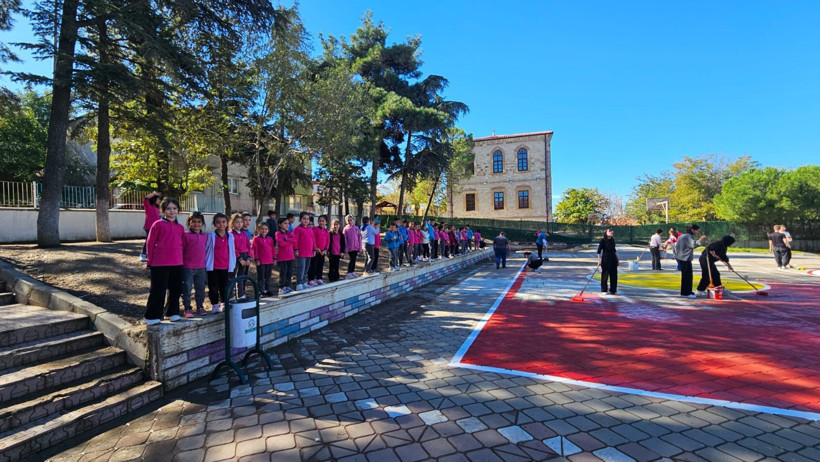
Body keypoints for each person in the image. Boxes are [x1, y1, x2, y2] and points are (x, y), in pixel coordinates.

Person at [143, 198, 184, 325]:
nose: (171, 211)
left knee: (176, 289)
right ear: (163, 210)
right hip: (160, 263)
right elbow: (150, 244)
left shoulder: (180, 227)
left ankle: (172, 312)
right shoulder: (157, 224)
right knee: (158, 290)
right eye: (168, 208)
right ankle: (151, 316)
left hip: (177, 262)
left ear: (178, 210)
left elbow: (181, 244)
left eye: (174, 208)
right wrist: (149, 261)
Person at [205, 213, 235, 313]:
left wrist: (232, 264)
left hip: (225, 266)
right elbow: (207, 250)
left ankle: (223, 303)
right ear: (214, 224)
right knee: (213, 287)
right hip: (213, 267)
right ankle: (214, 304)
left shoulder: (230, 236)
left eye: (223, 222)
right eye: (218, 222)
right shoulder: (211, 236)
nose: (221, 224)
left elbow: (232, 251)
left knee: (224, 286)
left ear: (227, 223)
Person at [181, 212, 208, 318]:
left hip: (201, 267)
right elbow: (181, 250)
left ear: (202, 223)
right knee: (187, 289)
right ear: (189, 223)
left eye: (199, 222)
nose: (196, 224)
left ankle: (200, 306)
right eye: (193, 222)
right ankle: (187, 308)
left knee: (200, 288)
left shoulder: (205, 236)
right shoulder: (185, 235)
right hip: (187, 267)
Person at [674, 225, 707, 298]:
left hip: (683, 257)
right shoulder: (687, 236)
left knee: (688, 276)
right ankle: (685, 293)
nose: (697, 232)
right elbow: (693, 245)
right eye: (697, 230)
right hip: (684, 258)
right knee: (687, 276)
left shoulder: (684, 236)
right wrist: (701, 239)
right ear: (692, 230)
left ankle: (688, 291)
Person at [230, 213, 251, 299]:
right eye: (237, 222)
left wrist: (249, 258)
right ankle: (230, 295)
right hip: (235, 257)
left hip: (245, 255)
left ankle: (241, 294)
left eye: (241, 222)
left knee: (241, 275)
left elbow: (248, 246)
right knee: (232, 276)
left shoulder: (243, 233)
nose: (239, 224)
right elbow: (233, 247)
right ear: (232, 223)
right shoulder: (230, 234)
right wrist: (239, 258)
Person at [293, 212, 316, 291]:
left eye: (307, 219)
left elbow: (313, 240)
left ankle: (304, 281)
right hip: (301, 252)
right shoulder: (297, 229)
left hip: (309, 252)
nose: (306, 221)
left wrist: (314, 249)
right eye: (304, 219)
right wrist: (296, 249)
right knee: (301, 267)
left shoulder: (310, 229)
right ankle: (299, 283)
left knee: (306, 268)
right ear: (300, 220)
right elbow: (294, 240)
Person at [251, 222, 275, 297]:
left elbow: (273, 249)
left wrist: (274, 258)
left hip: (269, 260)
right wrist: (256, 259)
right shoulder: (256, 239)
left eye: (266, 229)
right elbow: (254, 250)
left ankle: (267, 289)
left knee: (268, 276)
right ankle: (260, 291)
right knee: (261, 277)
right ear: (258, 230)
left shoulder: (270, 239)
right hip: (261, 261)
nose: (264, 230)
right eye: (262, 229)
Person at [275, 217, 296, 295]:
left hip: (290, 256)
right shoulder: (278, 233)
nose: (287, 225)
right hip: (282, 257)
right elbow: (281, 243)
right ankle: (281, 287)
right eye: (285, 223)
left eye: (288, 223)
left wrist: (286, 240)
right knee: (283, 273)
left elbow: (294, 240)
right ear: (280, 224)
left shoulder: (289, 233)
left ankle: (288, 286)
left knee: (289, 272)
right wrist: (288, 241)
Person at [140, 192, 162, 262]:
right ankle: (143, 254)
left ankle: (152, 254)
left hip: (157, 227)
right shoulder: (149, 207)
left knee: (157, 241)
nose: (159, 201)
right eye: (158, 199)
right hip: (149, 227)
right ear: (154, 199)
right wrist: (153, 194)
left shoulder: (158, 208)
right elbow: (145, 199)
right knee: (148, 241)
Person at [597, 228, 619, 295]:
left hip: (613, 259)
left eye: (612, 231)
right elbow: (599, 251)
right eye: (610, 231)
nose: (612, 232)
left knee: (614, 275)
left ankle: (613, 290)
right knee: (605, 275)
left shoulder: (612, 240)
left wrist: (617, 259)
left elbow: (614, 250)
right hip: (606, 259)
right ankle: (604, 290)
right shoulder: (603, 241)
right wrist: (599, 260)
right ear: (606, 233)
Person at [309, 215, 330, 286]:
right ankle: (311, 279)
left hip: (322, 252)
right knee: (313, 265)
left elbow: (328, 241)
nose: (321, 222)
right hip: (316, 251)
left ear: (326, 222)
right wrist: (315, 248)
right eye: (320, 221)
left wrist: (325, 250)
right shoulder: (315, 229)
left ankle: (319, 278)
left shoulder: (326, 231)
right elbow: (313, 239)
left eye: (323, 221)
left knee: (320, 265)